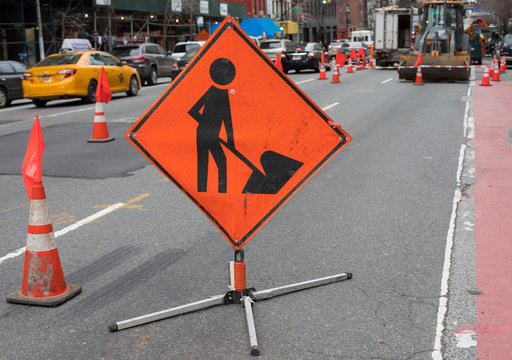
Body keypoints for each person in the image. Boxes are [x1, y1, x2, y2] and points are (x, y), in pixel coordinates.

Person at [188, 58, 236, 193]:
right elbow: (193, 111)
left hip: (213, 133)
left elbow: (227, 119)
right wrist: (205, 123)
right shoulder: (211, 91)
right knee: (206, 162)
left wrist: (231, 140)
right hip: (203, 133)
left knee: (221, 162)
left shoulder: (224, 94)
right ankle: (204, 191)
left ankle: (222, 192)